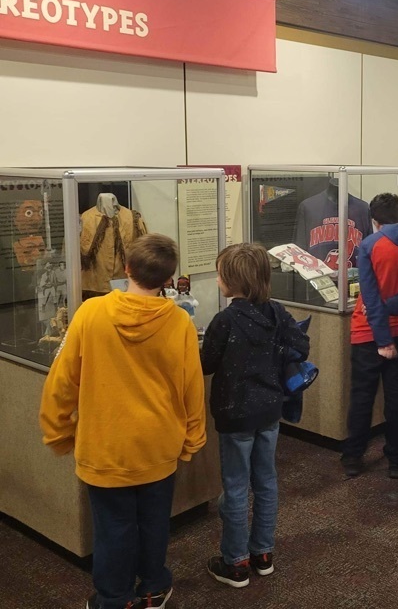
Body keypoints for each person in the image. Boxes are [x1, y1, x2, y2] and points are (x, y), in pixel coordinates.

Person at [39, 233, 206, 609]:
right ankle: (153, 589)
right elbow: (191, 388)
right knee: (154, 523)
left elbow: (62, 381)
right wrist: (193, 438)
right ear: (168, 279)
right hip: (158, 446)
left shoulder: (90, 313)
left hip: (105, 447)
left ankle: (115, 599)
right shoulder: (179, 322)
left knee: (113, 528)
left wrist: (59, 430)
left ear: (126, 268)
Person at [201, 243, 310, 589]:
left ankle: (235, 562)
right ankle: (263, 553)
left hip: (235, 415)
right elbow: (301, 345)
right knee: (266, 480)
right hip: (269, 410)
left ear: (232, 280)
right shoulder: (276, 312)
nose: (217, 280)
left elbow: (206, 364)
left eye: (220, 274)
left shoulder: (225, 320)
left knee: (235, 486)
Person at [340, 192, 398, 480]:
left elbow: (371, 298)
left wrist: (383, 340)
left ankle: (353, 457)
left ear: (375, 221)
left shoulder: (370, 245)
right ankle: (397, 458)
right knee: (397, 398)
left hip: (369, 331)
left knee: (362, 396)